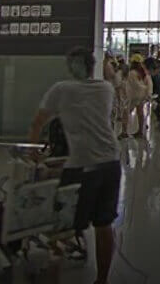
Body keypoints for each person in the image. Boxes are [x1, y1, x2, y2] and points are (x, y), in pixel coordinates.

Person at [28, 48, 120, 284]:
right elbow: (110, 76)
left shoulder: (62, 89)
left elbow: (38, 123)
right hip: (111, 162)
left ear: (72, 66)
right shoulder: (106, 89)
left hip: (81, 164)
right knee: (104, 223)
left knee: (62, 225)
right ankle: (102, 279)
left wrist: (32, 152)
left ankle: (53, 277)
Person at [119, 58, 151, 139]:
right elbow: (149, 83)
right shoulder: (144, 73)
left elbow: (135, 85)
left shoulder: (132, 73)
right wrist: (147, 92)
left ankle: (124, 132)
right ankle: (140, 131)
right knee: (140, 113)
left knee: (125, 113)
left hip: (132, 96)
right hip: (141, 96)